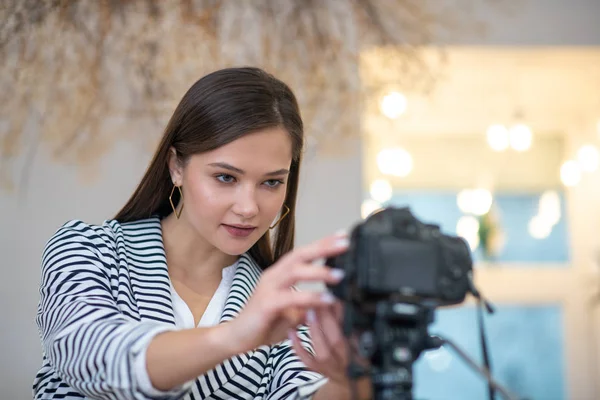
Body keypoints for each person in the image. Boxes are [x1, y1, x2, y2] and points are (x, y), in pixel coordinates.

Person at [33, 67, 370, 400]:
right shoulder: (89, 250)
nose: (248, 207)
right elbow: (88, 354)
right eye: (226, 177)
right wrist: (236, 335)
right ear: (176, 167)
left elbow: (300, 391)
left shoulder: (277, 302)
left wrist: (349, 379)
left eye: (271, 182)